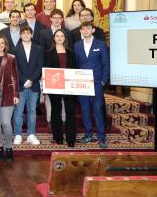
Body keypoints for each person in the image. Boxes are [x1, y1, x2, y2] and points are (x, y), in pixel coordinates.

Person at [74, 21, 110, 149]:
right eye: (83, 29)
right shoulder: (77, 45)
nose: (86, 31)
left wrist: (103, 81)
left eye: (88, 28)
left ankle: (102, 137)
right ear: (81, 31)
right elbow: (76, 64)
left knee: (98, 109)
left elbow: (106, 63)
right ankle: (88, 134)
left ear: (93, 30)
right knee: (85, 109)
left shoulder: (101, 44)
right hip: (82, 83)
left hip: (97, 82)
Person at [45, 29, 77, 147]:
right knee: (56, 111)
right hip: (54, 85)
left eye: (62, 36)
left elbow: (75, 69)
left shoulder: (71, 52)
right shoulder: (48, 52)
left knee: (70, 111)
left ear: (65, 38)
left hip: (69, 85)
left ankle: (71, 138)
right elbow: (46, 69)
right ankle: (57, 136)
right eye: (57, 36)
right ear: (54, 38)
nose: (59, 38)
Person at [13, 25, 44, 145]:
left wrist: (31, 80)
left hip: (34, 84)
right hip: (20, 85)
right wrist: (24, 80)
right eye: (23, 33)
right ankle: (18, 134)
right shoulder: (15, 49)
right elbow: (15, 68)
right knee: (18, 111)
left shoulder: (39, 49)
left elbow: (39, 66)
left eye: (28, 33)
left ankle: (31, 134)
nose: (26, 35)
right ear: (20, 35)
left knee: (32, 110)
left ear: (31, 35)